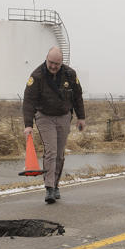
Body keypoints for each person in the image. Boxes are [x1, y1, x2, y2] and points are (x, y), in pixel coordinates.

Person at [23, 47, 86, 203]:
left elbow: (78, 96)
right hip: (44, 116)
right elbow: (29, 101)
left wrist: (81, 117)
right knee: (51, 151)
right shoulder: (37, 76)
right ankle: (49, 188)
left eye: (56, 64)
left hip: (64, 116)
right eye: (51, 63)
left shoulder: (70, 74)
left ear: (61, 62)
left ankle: (56, 185)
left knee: (59, 153)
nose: (53, 66)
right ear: (46, 58)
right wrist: (28, 124)